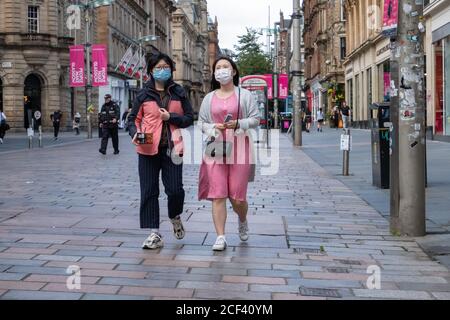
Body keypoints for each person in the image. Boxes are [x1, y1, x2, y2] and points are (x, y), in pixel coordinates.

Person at [128, 53, 194, 250]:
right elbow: (133, 119)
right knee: (149, 191)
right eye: (158, 67)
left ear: (171, 69)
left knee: (175, 190)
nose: (162, 70)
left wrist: (171, 117)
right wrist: (135, 133)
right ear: (150, 70)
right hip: (147, 148)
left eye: (165, 66)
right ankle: (154, 233)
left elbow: (189, 118)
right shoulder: (143, 94)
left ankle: (175, 215)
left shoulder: (179, 92)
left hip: (173, 148)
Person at [198, 56, 260, 251]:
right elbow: (201, 122)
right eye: (218, 67)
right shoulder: (209, 98)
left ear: (233, 71)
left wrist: (239, 123)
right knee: (218, 193)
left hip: (240, 145)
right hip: (215, 147)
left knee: (237, 197)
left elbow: (256, 118)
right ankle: (220, 236)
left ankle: (242, 218)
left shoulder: (245, 95)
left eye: (226, 67)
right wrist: (212, 127)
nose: (222, 70)